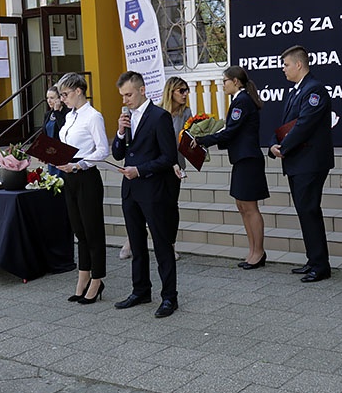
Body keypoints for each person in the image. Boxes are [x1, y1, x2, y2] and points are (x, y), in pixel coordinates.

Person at [111, 71, 180, 318]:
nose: (125, 100)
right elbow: (118, 154)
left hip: (153, 190)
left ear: (142, 90)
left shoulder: (159, 117)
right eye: (122, 95)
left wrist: (139, 170)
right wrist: (119, 132)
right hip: (130, 191)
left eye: (128, 94)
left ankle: (169, 297)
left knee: (162, 245)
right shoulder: (126, 117)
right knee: (136, 244)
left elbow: (168, 157)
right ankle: (140, 290)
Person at [269, 45, 334, 282]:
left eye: (286, 65)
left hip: (310, 162)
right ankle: (313, 260)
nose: (283, 70)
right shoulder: (296, 90)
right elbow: (286, 125)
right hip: (298, 162)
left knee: (309, 211)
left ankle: (321, 266)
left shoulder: (314, 90)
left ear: (298, 65)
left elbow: (304, 125)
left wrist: (283, 148)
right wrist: (273, 146)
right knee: (305, 212)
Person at [194, 66, 269, 268]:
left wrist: (203, 140)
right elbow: (231, 132)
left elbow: (230, 132)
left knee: (250, 207)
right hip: (241, 159)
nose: (223, 84)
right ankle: (252, 250)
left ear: (236, 81)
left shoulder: (242, 101)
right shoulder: (238, 100)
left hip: (248, 160)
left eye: (225, 80)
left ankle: (258, 252)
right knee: (242, 206)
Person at [52, 73, 110, 305]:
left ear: (78, 91)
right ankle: (83, 275)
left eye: (65, 94)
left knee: (93, 230)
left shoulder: (93, 116)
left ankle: (97, 278)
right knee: (79, 230)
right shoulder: (70, 117)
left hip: (86, 176)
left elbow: (102, 150)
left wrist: (79, 164)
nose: (62, 99)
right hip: (70, 176)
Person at [119, 76, 191, 261]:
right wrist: (120, 132)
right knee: (139, 219)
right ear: (171, 91)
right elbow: (124, 151)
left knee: (169, 209)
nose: (185, 94)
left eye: (186, 90)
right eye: (181, 90)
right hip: (147, 173)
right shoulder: (152, 113)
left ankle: (169, 245)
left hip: (171, 168)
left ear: (141, 91)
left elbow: (176, 146)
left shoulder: (185, 113)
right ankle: (131, 241)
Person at [42, 84, 70, 177]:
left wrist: (57, 111)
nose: (49, 101)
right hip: (51, 153)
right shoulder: (48, 114)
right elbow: (44, 133)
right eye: (47, 98)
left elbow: (63, 128)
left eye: (52, 98)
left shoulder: (67, 113)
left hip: (62, 153)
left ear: (59, 99)